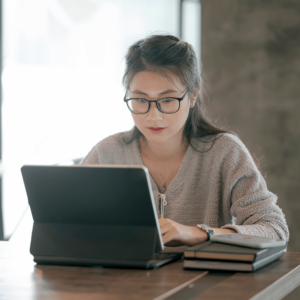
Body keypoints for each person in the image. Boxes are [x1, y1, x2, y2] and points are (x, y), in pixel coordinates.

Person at [81, 34, 289, 247]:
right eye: (141, 99)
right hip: (124, 278)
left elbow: (274, 229)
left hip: (204, 279)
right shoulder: (105, 154)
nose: (154, 115)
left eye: (168, 99)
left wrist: (200, 234)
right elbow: (65, 224)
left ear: (193, 96)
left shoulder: (224, 152)